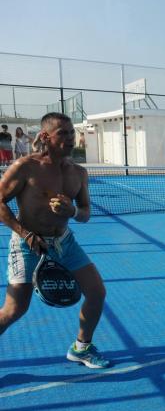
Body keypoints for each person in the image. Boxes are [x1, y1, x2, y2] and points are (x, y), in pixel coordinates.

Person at [0, 112, 109, 369]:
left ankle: (81, 348)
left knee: (96, 292)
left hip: (64, 242)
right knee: (14, 310)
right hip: (27, 243)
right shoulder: (26, 167)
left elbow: (85, 213)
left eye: (72, 132)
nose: (70, 138)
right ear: (45, 136)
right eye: (63, 133)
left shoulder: (78, 173)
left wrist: (71, 212)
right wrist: (25, 234)